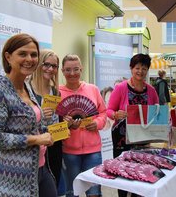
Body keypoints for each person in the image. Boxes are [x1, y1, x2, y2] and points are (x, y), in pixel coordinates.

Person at [0, 33, 56, 197]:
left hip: (42, 170)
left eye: (34, 54)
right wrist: (36, 139)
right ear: (8, 57)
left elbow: (32, 125)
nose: (29, 59)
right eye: (22, 54)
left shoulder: (26, 88)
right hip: (14, 180)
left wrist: (51, 131)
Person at [106, 53, 159, 197]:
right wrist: (116, 115)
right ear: (131, 68)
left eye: (144, 68)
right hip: (122, 138)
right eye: (137, 68)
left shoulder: (152, 91)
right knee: (122, 171)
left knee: (141, 171)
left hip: (143, 138)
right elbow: (109, 110)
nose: (140, 71)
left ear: (147, 70)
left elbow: (157, 112)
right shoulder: (121, 88)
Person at [59, 54, 107, 197]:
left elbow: (103, 113)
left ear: (81, 69)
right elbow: (52, 123)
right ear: (62, 71)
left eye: (76, 69)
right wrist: (64, 124)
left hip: (93, 151)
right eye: (68, 70)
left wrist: (97, 123)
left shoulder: (93, 89)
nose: (72, 74)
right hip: (69, 151)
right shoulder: (57, 92)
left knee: (94, 192)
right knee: (72, 192)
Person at [29, 49, 63, 191]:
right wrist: (41, 115)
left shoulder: (55, 91)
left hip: (54, 146)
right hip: (34, 148)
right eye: (46, 64)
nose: (50, 69)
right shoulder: (27, 89)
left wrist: (65, 122)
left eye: (54, 66)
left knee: (52, 186)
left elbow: (56, 119)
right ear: (38, 64)